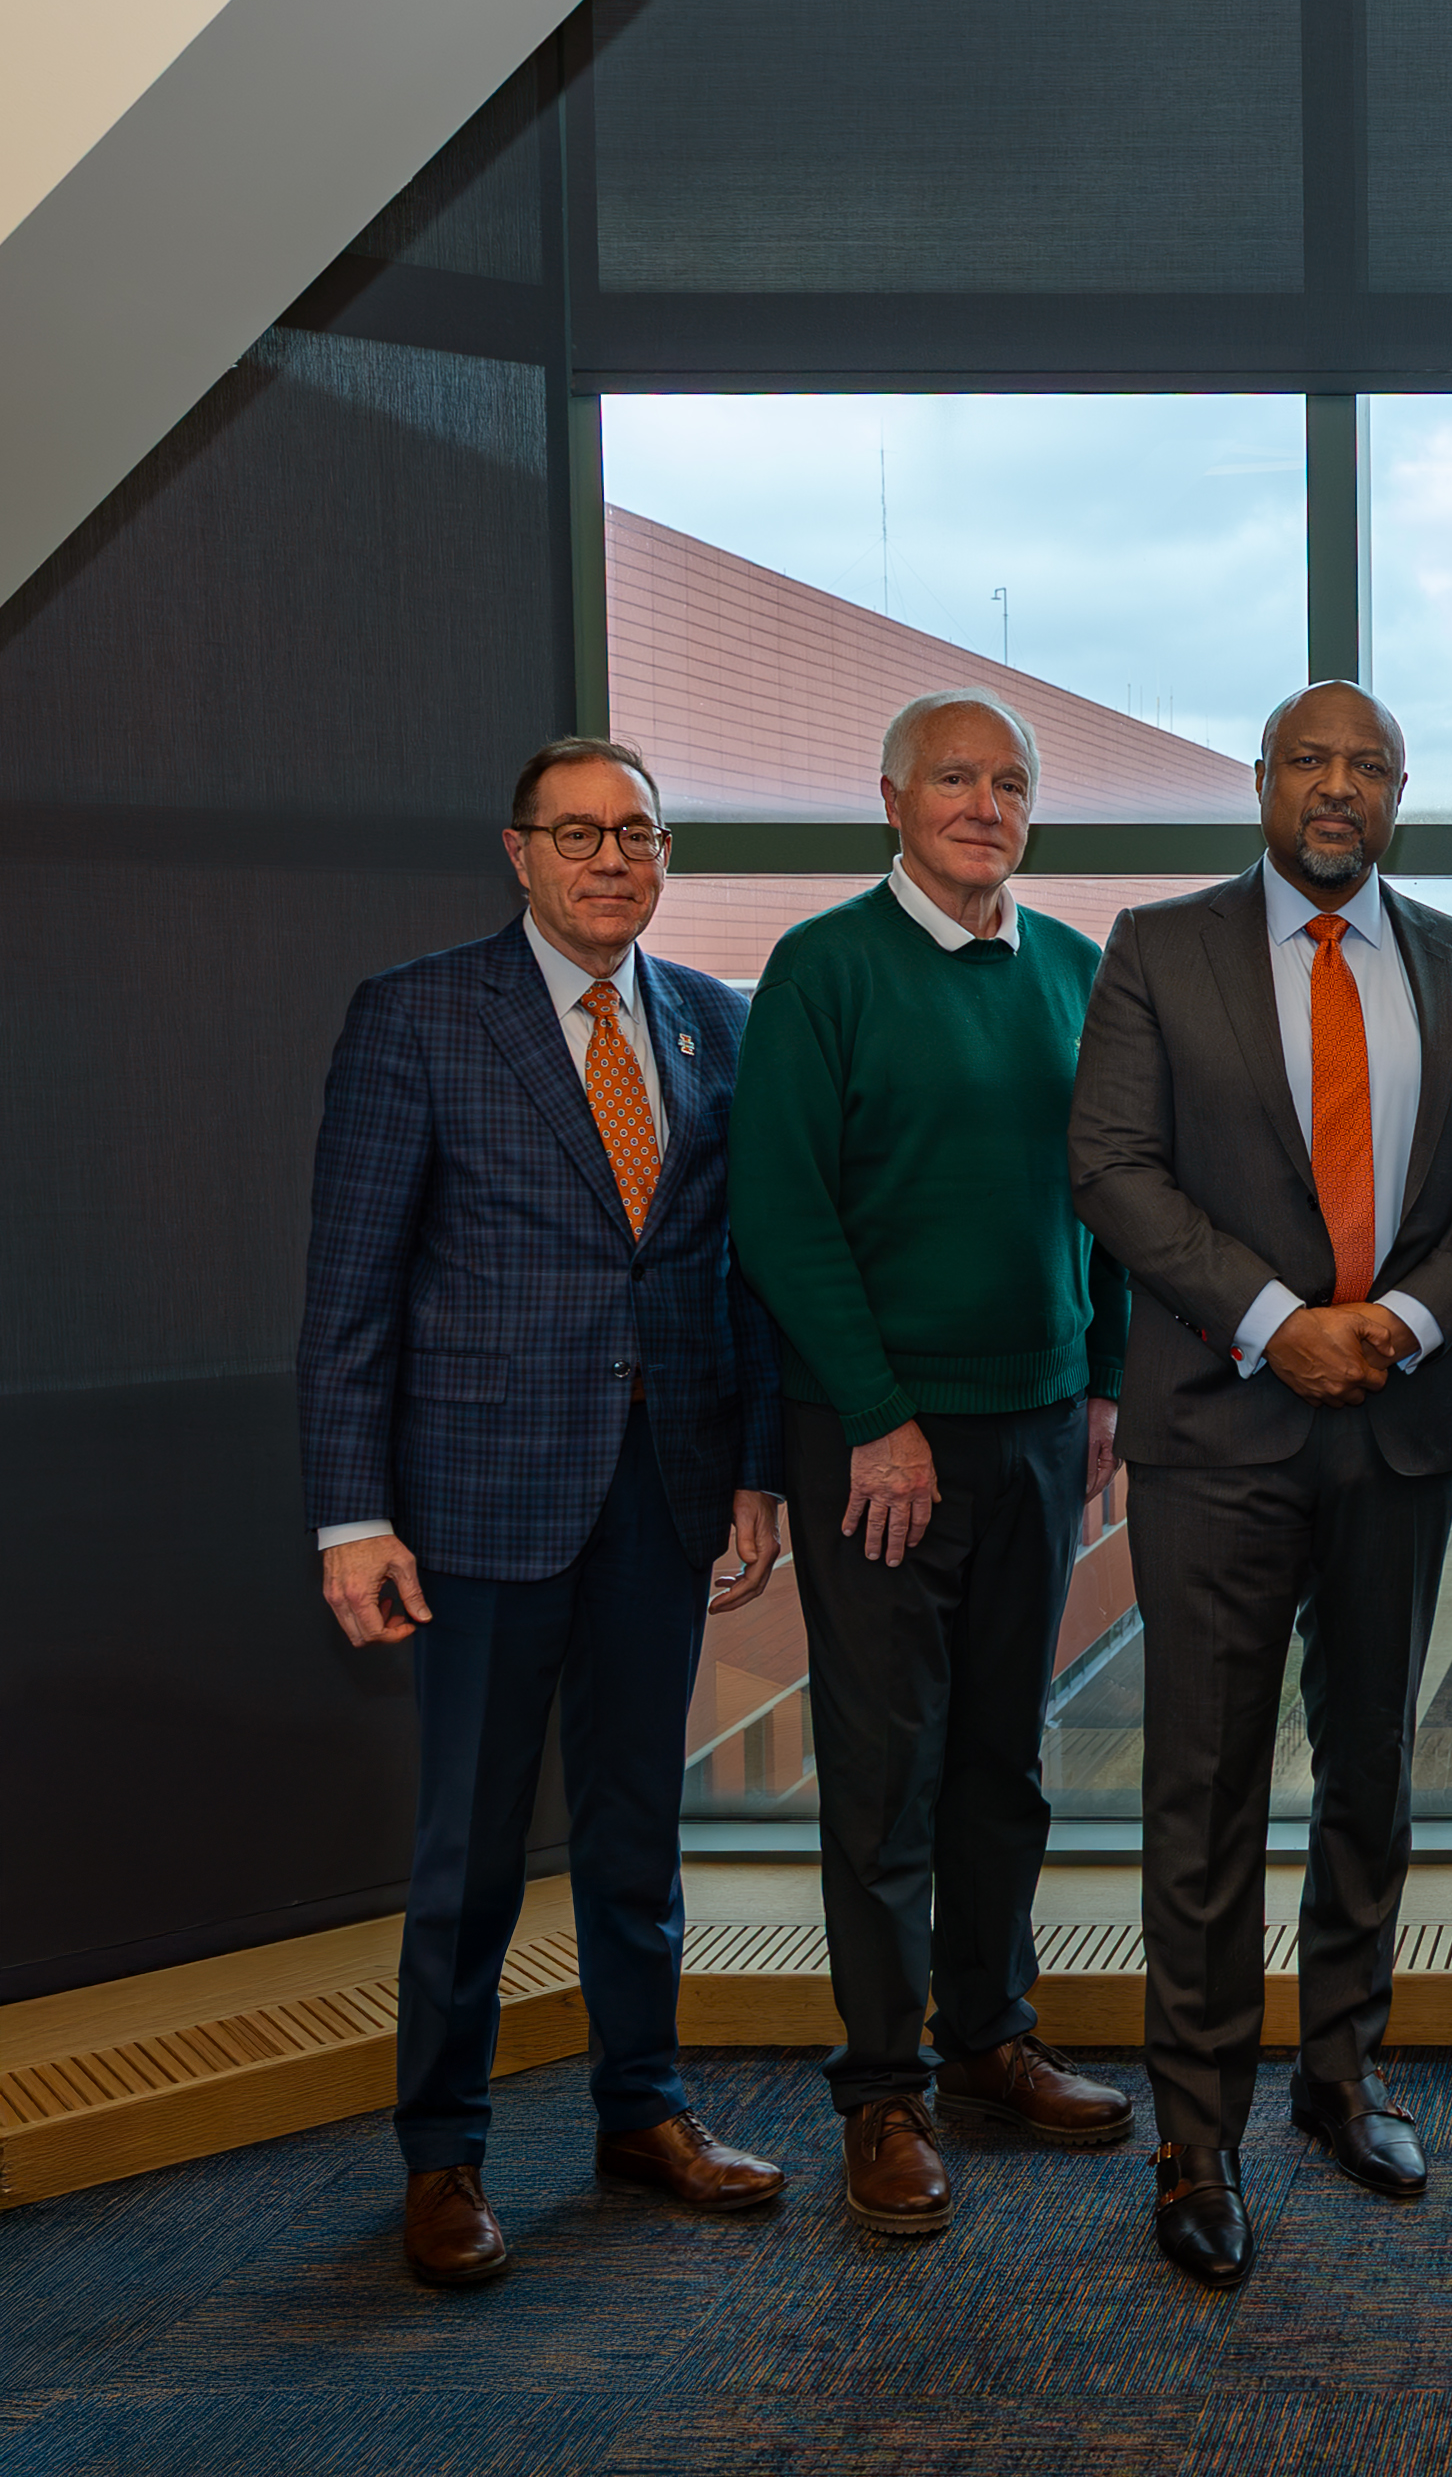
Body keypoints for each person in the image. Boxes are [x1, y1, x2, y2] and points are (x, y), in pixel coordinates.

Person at [1070, 679, 1452, 2287]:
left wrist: (1409, 1323)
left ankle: (1342, 2075)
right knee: (1200, 1794)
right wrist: (1280, 1326)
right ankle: (1193, 2136)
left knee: (1370, 1775)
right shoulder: (1159, 948)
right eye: (1307, 762)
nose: (1335, 788)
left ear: (1398, 795)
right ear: (1259, 781)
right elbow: (1111, 1169)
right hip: (1220, 1429)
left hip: (1399, 1427)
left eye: (1367, 766)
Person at [301, 736, 792, 2288]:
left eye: (637, 833)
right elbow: (350, 1291)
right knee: (468, 1855)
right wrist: (347, 1519)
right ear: (516, 851)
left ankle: (640, 2113)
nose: (610, 859)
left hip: (663, 1501)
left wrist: (757, 1472)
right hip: (475, 1504)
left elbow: (740, 1275)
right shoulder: (419, 1016)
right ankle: (442, 2157)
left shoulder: (720, 1026)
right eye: (576, 833)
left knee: (640, 1838)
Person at [728, 692, 1135, 2237]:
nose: (984, 802)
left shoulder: (1072, 973)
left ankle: (988, 2042)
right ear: (890, 798)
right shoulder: (824, 968)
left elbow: (1101, 1198)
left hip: (1039, 1428)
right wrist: (876, 1412)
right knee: (887, 1774)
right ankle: (881, 2095)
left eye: (1009, 781)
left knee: (1002, 1763)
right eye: (954, 777)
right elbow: (780, 1211)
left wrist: (1098, 1386)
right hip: (877, 1443)